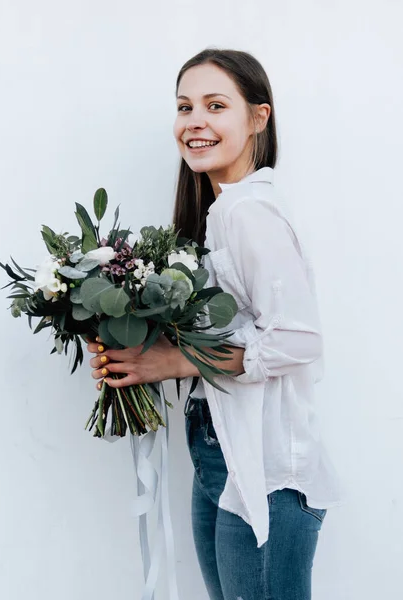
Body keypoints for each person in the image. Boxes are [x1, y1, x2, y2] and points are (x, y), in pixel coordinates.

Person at [86, 48, 342, 600]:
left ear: (257, 119)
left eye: (215, 105)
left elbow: (299, 338)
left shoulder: (245, 211)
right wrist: (130, 346)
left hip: (267, 470)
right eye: (184, 106)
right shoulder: (219, 212)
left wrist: (175, 360)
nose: (194, 121)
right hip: (219, 450)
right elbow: (233, 332)